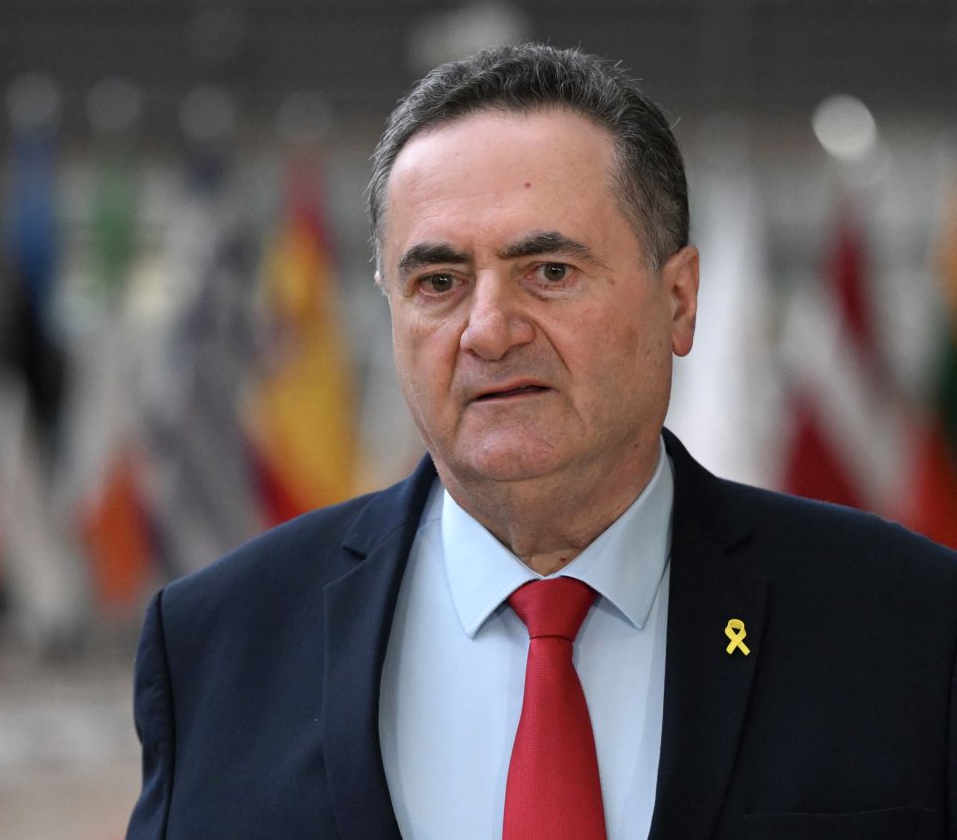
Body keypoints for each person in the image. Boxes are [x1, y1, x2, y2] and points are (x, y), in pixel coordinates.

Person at [126, 43, 957, 840]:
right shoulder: (214, 645)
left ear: (679, 300)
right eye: (439, 282)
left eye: (549, 272)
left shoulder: (908, 625)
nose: (488, 330)